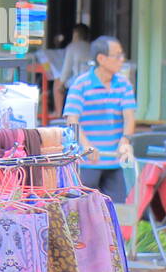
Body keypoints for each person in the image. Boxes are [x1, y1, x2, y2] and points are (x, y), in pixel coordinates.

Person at [63, 35, 136, 203]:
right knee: (84, 213)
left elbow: (129, 117)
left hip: (114, 161)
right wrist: (87, 146)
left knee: (115, 212)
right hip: (86, 162)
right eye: (117, 56)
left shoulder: (124, 84)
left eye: (122, 55)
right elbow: (72, 120)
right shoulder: (80, 84)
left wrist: (125, 141)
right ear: (101, 59)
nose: (121, 59)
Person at [54, 23, 92, 115]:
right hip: (92, 81)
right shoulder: (91, 47)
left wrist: (61, 84)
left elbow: (66, 70)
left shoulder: (72, 47)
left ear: (75, 34)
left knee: (57, 83)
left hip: (77, 82)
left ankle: (58, 113)